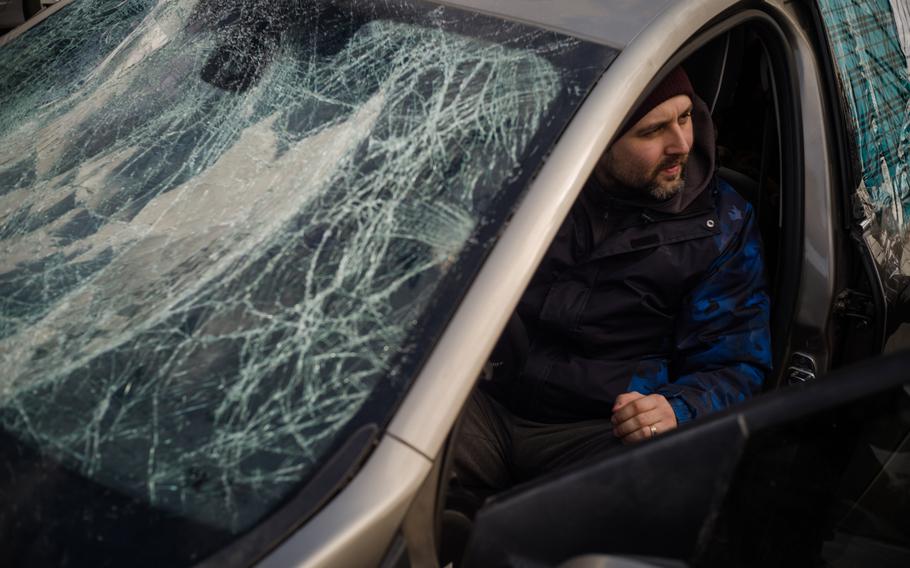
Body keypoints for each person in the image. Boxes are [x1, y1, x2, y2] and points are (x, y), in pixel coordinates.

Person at [451, 67, 772, 511]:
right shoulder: (525, 177)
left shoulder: (721, 228)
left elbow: (737, 362)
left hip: (598, 433)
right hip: (479, 400)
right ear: (597, 139)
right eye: (653, 130)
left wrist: (676, 408)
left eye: (685, 117)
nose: (681, 143)